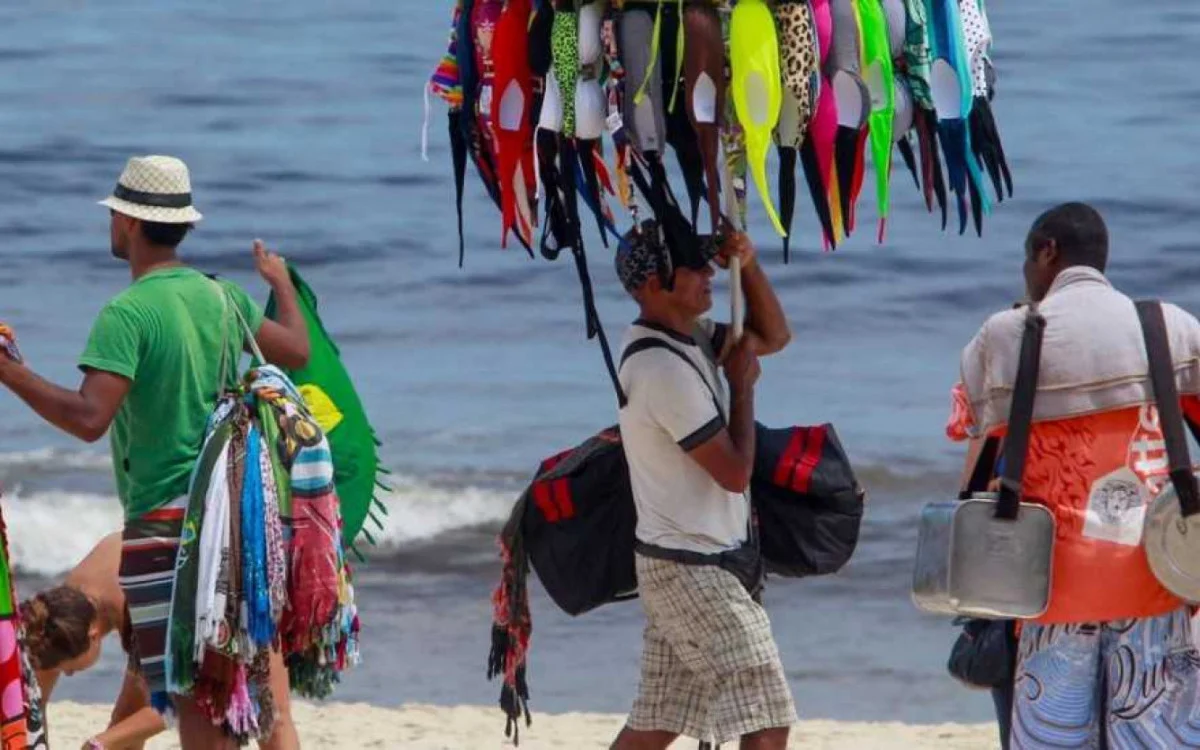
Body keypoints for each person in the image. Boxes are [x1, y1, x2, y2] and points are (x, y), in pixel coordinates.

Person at [0, 155, 310, 750]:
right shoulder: (222, 298)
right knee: (241, 697)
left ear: (127, 222)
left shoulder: (129, 312)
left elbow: (89, 418)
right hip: (236, 526)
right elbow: (293, 349)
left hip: (167, 532)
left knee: (196, 705)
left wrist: (12, 375)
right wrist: (280, 285)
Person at [947, 202, 1200, 747]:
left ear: (1047, 252)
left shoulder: (1006, 336)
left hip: (1050, 593)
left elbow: (974, 447)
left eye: (1027, 259)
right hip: (1158, 584)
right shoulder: (1169, 328)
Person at [610, 219, 795, 750]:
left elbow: (775, 337)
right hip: (691, 569)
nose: (706, 273)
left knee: (660, 717)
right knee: (766, 715)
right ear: (651, 286)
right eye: (691, 266)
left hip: (685, 561)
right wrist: (741, 389)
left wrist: (749, 262)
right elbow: (734, 475)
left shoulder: (685, 336)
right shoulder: (659, 369)